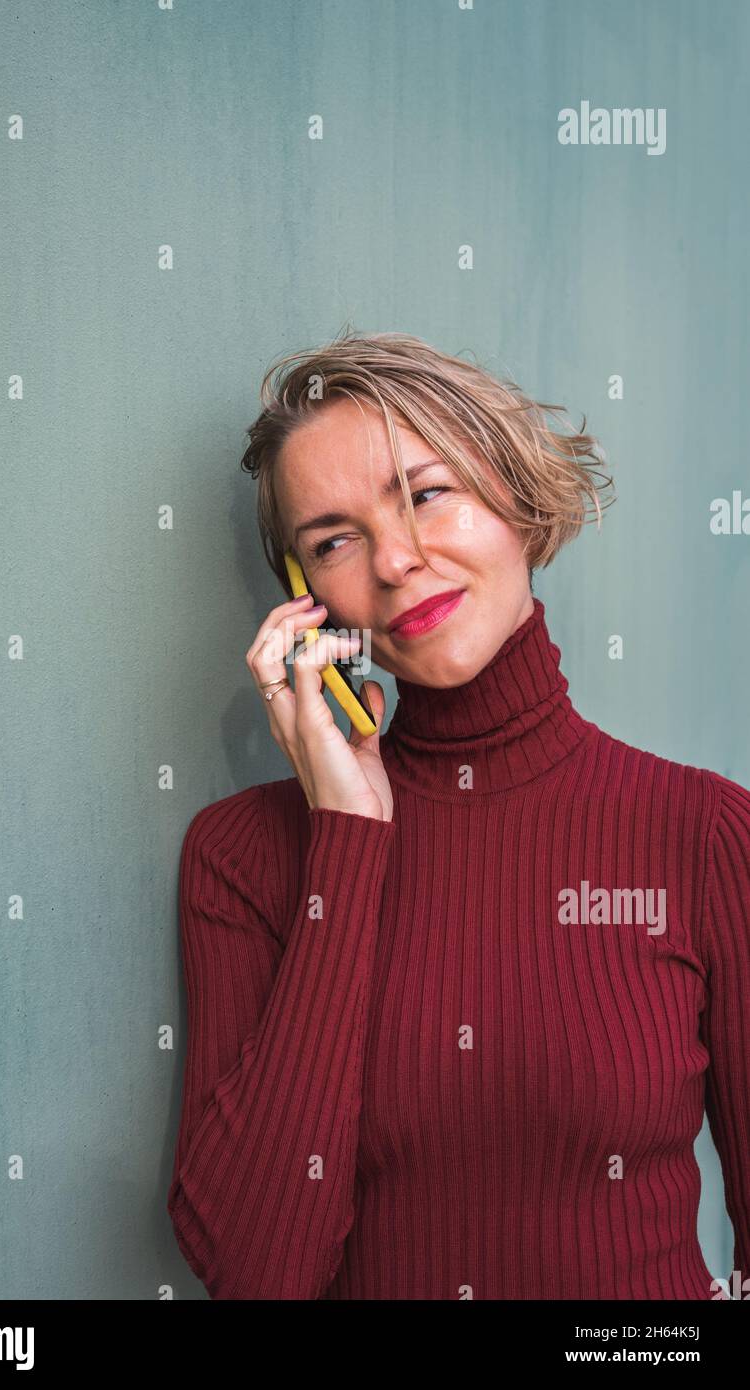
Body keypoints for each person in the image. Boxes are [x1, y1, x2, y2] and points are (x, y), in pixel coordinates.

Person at [166, 329, 750, 1300]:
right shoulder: (244, 858)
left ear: (515, 494)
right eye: (334, 541)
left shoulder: (703, 833)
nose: (396, 560)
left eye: (426, 494)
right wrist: (347, 838)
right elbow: (256, 1273)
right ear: (308, 603)